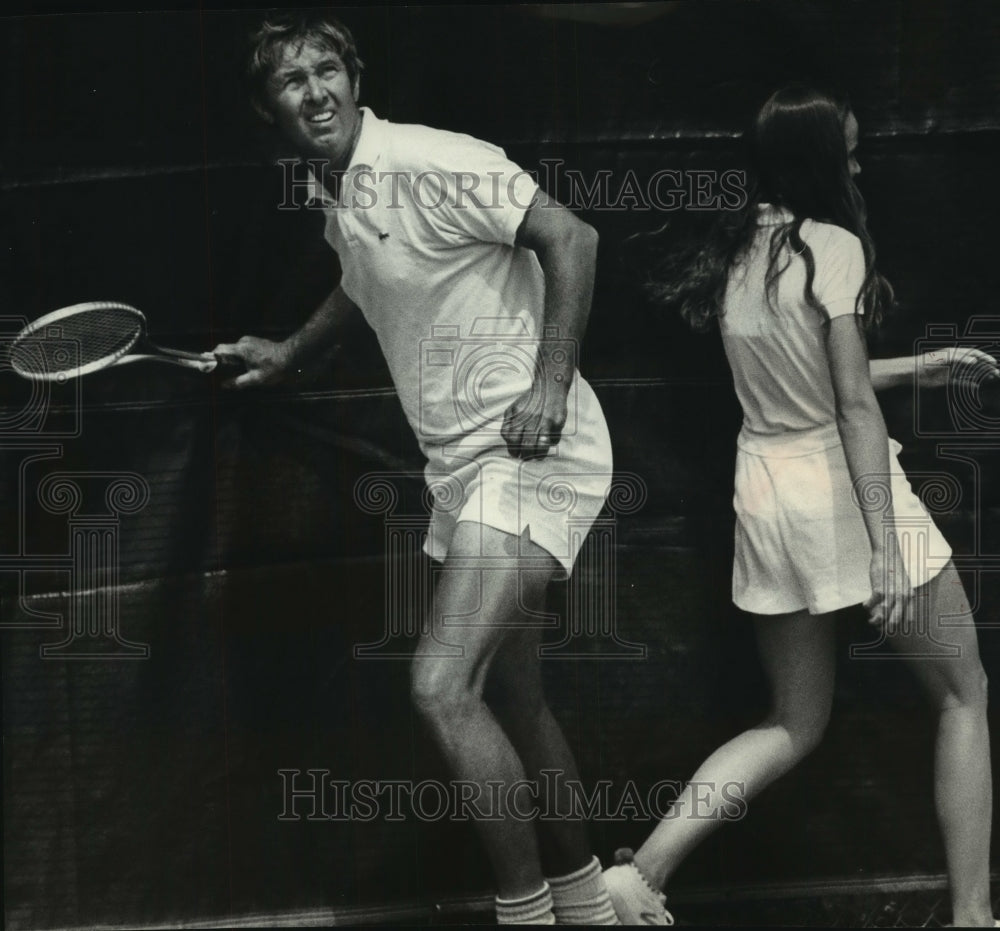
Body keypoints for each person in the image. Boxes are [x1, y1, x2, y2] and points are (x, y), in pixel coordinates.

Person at [214, 11, 619, 926]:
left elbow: (574, 238)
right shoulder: (342, 189)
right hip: (465, 468)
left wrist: (550, 383)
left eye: (328, 70)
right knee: (512, 695)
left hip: (533, 449)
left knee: (441, 685)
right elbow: (363, 282)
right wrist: (286, 353)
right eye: (292, 80)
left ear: (355, 77)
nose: (315, 91)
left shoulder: (428, 159)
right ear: (265, 108)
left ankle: (526, 918)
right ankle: (590, 908)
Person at [604, 85, 999, 927]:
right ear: (820, 160)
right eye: (849, 152)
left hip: (768, 490)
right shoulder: (833, 248)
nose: (858, 165)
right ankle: (973, 917)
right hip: (839, 486)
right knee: (965, 693)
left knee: (793, 720)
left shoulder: (736, 253)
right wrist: (886, 545)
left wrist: (920, 369)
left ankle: (641, 877)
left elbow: (809, 386)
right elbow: (851, 409)